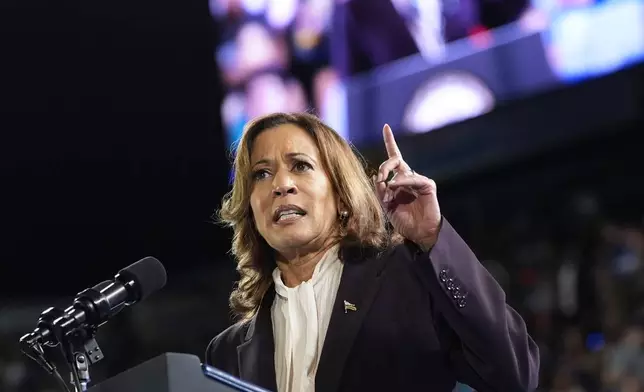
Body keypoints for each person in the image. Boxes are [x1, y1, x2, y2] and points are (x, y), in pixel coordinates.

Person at [205, 112, 540, 392]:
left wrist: (433, 238)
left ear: (340, 193)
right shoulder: (226, 353)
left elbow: (513, 372)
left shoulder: (409, 277)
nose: (281, 184)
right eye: (261, 174)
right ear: (250, 207)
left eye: (301, 166)